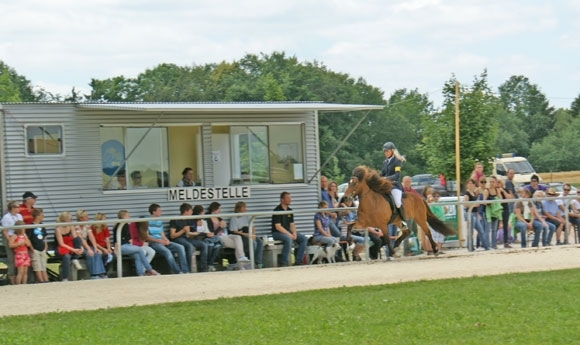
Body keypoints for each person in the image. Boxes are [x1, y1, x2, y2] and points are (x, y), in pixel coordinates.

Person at [114, 211, 159, 276]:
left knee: (137, 256)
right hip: (122, 246)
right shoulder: (120, 225)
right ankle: (149, 269)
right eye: (128, 216)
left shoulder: (125, 225)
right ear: (124, 217)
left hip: (128, 246)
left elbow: (129, 239)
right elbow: (117, 240)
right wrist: (116, 250)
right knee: (140, 250)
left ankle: (140, 274)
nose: (129, 217)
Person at [147, 204, 189, 274]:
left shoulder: (159, 221)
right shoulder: (147, 221)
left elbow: (162, 233)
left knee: (180, 247)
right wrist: (159, 241)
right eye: (159, 211)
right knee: (167, 251)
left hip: (161, 241)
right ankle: (177, 271)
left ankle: (185, 270)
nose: (161, 212)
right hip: (154, 242)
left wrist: (166, 240)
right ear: (153, 212)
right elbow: (147, 237)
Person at [169, 203, 210, 272]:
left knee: (204, 245)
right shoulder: (175, 220)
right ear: (186, 211)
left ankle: (203, 268)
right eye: (190, 211)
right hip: (178, 239)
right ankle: (188, 269)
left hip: (187, 238)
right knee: (189, 246)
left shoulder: (189, 220)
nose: (192, 212)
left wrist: (192, 234)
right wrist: (183, 230)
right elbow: (172, 236)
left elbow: (189, 234)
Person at [271, 191, 307, 266]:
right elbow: (278, 227)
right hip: (277, 233)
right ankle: (283, 262)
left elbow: (292, 224)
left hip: (288, 231)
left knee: (303, 239)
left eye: (290, 198)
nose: (290, 200)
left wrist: (294, 233)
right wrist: (289, 235)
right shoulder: (277, 211)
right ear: (282, 200)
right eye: (287, 198)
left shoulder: (290, 210)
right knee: (288, 239)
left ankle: (298, 261)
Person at [229, 201, 264, 268]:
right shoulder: (234, 218)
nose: (245, 209)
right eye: (244, 207)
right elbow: (234, 231)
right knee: (253, 244)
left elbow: (252, 227)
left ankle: (258, 262)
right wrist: (245, 234)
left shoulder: (247, 216)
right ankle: (251, 261)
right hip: (242, 236)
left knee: (260, 242)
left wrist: (253, 234)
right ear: (239, 208)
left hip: (249, 234)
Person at [379, 142, 407, 225]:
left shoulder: (397, 161)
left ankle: (403, 221)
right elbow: (382, 174)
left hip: (395, 185)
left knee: (398, 202)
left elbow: (397, 175)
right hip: (386, 186)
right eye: (385, 151)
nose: (386, 153)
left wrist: (386, 178)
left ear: (392, 151)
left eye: (387, 151)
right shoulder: (385, 162)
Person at [75, 210, 108, 279]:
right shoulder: (76, 226)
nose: (88, 217)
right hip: (79, 246)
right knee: (90, 254)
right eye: (86, 216)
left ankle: (101, 273)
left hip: (86, 245)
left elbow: (91, 236)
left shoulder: (87, 225)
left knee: (98, 253)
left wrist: (95, 247)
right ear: (81, 218)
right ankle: (93, 274)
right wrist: (89, 249)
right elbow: (81, 239)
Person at [54, 211, 84, 282]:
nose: (71, 220)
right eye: (70, 219)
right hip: (61, 248)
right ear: (65, 220)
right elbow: (61, 244)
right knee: (66, 257)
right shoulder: (58, 229)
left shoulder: (71, 226)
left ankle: (75, 258)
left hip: (70, 246)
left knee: (78, 239)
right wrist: (74, 250)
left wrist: (80, 247)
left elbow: (75, 237)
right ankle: (65, 278)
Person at [463, 179, 489, 251]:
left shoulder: (474, 194)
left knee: (481, 230)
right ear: (467, 185)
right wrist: (474, 205)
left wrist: (477, 214)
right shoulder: (467, 194)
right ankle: (470, 247)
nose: (470, 185)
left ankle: (486, 246)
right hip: (470, 214)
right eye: (469, 183)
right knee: (470, 231)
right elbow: (465, 204)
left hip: (475, 214)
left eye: (472, 183)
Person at [1, 200, 23, 285]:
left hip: (19, 238)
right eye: (17, 207)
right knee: (12, 260)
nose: (19, 208)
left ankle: (20, 279)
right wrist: (10, 240)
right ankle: (12, 281)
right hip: (11, 237)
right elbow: (4, 231)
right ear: (13, 208)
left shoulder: (19, 216)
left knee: (20, 259)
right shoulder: (6, 217)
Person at [26, 208, 49, 283]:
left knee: (43, 265)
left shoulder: (42, 226)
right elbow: (28, 238)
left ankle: (46, 280)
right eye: (41, 215)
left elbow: (44, 237)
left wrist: (45, 245)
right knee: (37, 265)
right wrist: (31, 248)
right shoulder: (30, 226)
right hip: (35, 248)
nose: (43, 216)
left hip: (42, 248)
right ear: (37, 216)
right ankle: (41, 280)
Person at [483, 176, 503, 249]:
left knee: (494, 230)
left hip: (496, 212)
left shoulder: (497, 190)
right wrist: (490, 202)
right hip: (488, 211)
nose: (491, 183)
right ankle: (487, 245)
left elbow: (501, 199)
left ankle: (494, 245)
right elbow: (484, 202)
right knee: (487, 230)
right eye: (490, 182)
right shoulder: (486, 191)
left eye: (493, 182)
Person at [500, 171, 516, 248]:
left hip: (506, 208)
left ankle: (507, 241)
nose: (512, 175)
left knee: (507, 224)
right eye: (510, 173)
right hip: (506, 207)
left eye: (513, 173)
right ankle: (506, 240)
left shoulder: (507, 186)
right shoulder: (508, 182)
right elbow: (511, 194)